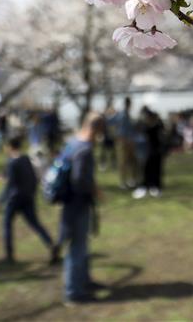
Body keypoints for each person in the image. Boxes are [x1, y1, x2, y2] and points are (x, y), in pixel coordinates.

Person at [60, 112, 105, 305]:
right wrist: (95, 191)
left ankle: (84, 281)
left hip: (71, 204)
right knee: (76, 248)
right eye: (100, 132)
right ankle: (73, 292)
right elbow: (78, 180)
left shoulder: (72, 142)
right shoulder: (84, 149)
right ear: (95, 129)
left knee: (81, 246)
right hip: (77, 205)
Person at [0, 137, 57, 263]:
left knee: (7, 225)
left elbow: (10, 184)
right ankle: (51, 245)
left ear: (9, 147)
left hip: (15, 198)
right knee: (35, 223)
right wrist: (32, 193)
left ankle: (9, 255)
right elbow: (34, 178)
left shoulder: (12, 162)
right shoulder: (26, 159)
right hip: (28, 197)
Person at [133, 107, 165, 199]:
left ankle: (155, 186)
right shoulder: (145, 126)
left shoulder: (158, 125)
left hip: (156, 151)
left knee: (156, 169)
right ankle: (145, 186)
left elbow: (161, 137)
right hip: (147, 151)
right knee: (146, 169)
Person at [111, 98, 137, 189]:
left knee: (130, 161)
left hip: (127, 140)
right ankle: (123, 182)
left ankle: (130, 180)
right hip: (124, 141)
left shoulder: (124, 114)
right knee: (123, 162)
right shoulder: (123, 114)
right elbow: (121, 129)